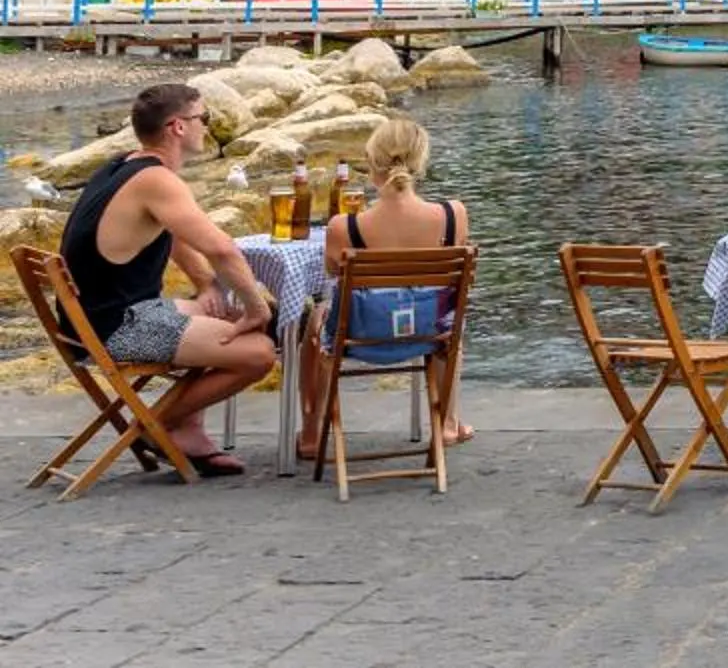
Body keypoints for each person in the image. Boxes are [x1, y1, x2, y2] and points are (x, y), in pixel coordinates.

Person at [55, 83, 278, 477]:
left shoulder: (123, 164)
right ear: (177, 127)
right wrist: (256, 307)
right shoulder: (157, 181)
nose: (207, 127)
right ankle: (151, 426)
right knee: (259, 352)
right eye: (203, 118)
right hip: (118, 328)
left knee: (224, 313)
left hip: (92, 320)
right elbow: (222, 248)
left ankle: (187, 432)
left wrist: (206, 284)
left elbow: (170, 231)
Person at [299, 113, 471, 460]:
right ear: (420, 161)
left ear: (372, 163)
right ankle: (449, 423)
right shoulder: (454, 215)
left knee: (315, 319)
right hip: (427, 333)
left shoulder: (343, 226)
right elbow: (458, 282)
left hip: (360, 334)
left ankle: (311, 433)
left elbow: (332, 273)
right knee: (448, 317)